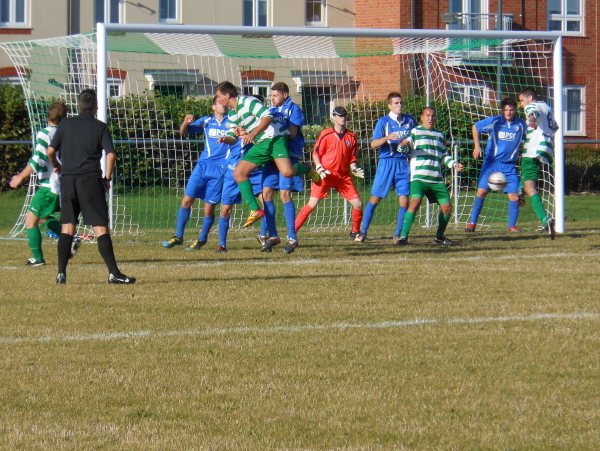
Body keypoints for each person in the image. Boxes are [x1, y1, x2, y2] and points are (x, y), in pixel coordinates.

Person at [47, 89, 135, 284]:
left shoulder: (65, 124)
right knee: (100, 228)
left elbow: (50, 150)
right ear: (96, 106)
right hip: (90, 180)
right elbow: (111, 155)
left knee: (67, 227)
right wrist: (107, 178)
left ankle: (61, 273)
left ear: (78, 105)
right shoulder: (100, 127)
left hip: (68, 180)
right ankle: (114, 273)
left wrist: (57, 166)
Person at [214, 81, 318, 229]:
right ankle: (255, 209)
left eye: (219, 96)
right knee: (239, 173)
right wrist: (226, 139)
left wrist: (253, 133)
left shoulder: (246, 101)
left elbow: (267, 116)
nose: (218, 100)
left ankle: (306, 168)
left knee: (287, 172)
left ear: (226, 95)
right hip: (261, 144)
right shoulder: (231, 114)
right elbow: (233, 136)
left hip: (275, 137)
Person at [9, 101, 79, 266]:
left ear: (48, 115)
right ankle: (71, 238)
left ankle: (38, 258)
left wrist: (20, 177)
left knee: (30, 221)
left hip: (49, 187)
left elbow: (37, 159)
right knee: (44, 217)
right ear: (65, 117)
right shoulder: (68, 134)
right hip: (65, 185)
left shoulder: (45, 133)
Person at [162, 96, 229, 250]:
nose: (223, 104)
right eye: (219, 102)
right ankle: (178, 236)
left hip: (220, 170)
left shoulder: (232, 122)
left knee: (209, 207)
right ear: (213, 107)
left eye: (225, 102)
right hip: (202, 166)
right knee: (187, 200)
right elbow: (183, 132)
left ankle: (201, 239)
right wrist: (186, 122)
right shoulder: (206, 121)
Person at [294, 106, 364, 240]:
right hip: (325, 174)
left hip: (343, 176)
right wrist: (319, 167)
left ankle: (355, 232)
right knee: (312, 204)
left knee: (358, 204)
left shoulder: (352, 137)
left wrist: (354, 168)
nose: (343, 118)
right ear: (334, 118)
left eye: (344, 115)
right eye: (340, 116)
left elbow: (352, 158)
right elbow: (316, 153)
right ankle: (293, 231)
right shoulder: (326, 134)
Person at [355, 92, 417, 244]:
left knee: (404, 199)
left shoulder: (410, 121)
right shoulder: (384, 122)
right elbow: (373, 144)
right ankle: (362, 232)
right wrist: (387, 138)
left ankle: (399, 234)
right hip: (386, 162)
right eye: (396, 103)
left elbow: (416, 137)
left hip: (403, 163)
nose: (399, 105)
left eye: (401, 102)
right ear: (389, 106)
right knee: (375, 198)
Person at [397, 107, 463, 246]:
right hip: (419, 178)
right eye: (427, 115)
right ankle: (403, 237)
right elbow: (405, 146)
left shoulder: (440, 135)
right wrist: (403, 145)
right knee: (414, 203)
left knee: (447, 207)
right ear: (422, 117)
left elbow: (444, 156)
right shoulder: (416, 131)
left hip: (436, 179)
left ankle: (439, 237)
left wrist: (454, 164)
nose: (430, 118)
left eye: (433, 116)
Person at [465, 97, 527, 233]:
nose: (509, 112)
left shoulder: (521, 125)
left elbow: (530, 137)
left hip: (510, 166)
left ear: (515, 110)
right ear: (502, 111)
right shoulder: (495, 121)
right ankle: (472, 223)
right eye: (506, 110)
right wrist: (477, 146)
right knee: (481, 191)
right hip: (492, 163)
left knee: (514, 196)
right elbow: (475, 127)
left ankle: (512, 226)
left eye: (511, 109)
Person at [258, 82, 306, 254]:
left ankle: (292, 237)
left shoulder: (294, 109)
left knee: (285, 194)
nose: (272, 98)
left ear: (285, 95)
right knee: (266, 194)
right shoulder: (270, 112)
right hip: (271, 158)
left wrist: (276, 131)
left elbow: (292, 133)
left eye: (275, 95)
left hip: (288, 155)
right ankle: (270, 235)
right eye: (271, 96)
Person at [518, 88, 558, 239]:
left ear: (530, 98)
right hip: (547, 148)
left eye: (522, 100)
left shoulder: (532, 105)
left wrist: (532, 120)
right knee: (529, 177)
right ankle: (520, 189)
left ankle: (545, 219)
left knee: (530, 187)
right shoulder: (547, 107)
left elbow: (531, 111)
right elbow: (555, 127)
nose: (521, 104)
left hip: (533, 149)